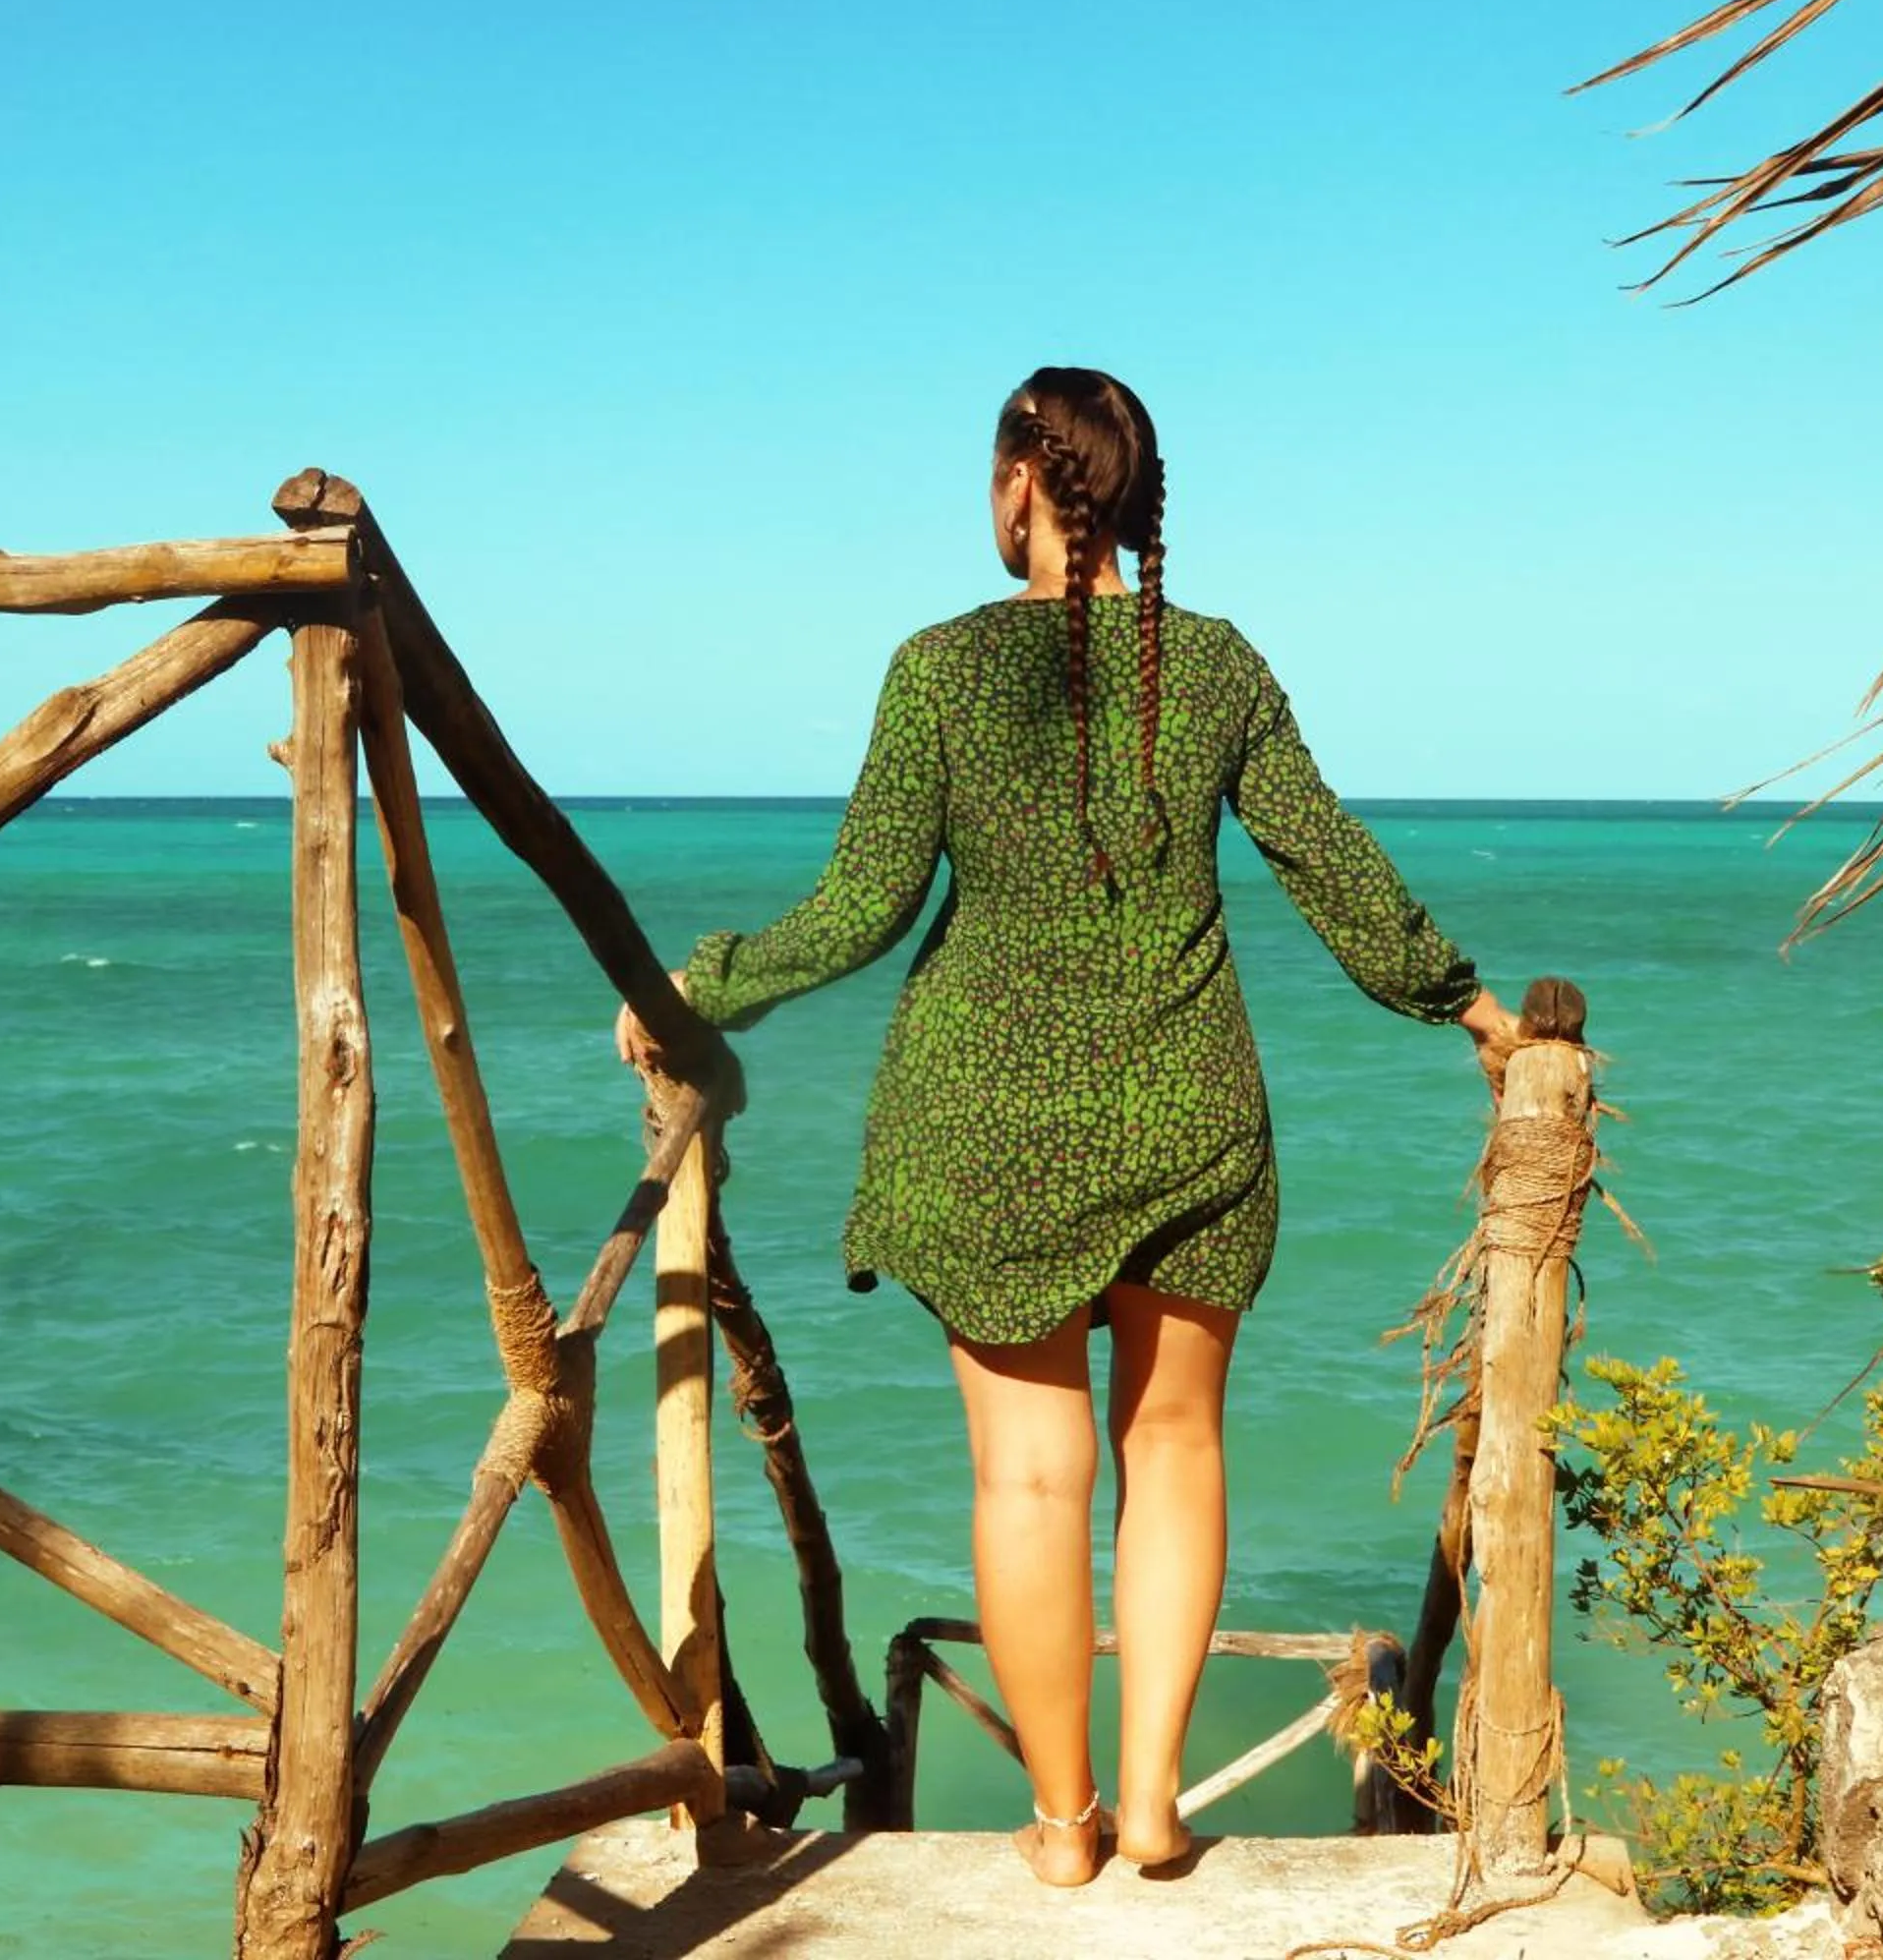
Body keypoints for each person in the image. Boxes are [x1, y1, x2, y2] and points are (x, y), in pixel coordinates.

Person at [615, 367, 1510, 1886]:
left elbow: (864, 904)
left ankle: (1064, 1824)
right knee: (1172, 1451)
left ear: (1023, 486)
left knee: (1031, 1482)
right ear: (1136, 502)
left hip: (989, 1129)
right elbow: (1331, 863)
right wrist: (1467, 1006)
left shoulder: (941, 670)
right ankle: (1159, 1801)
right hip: (1190, 1117)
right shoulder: (1217, 665)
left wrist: (702, 986)